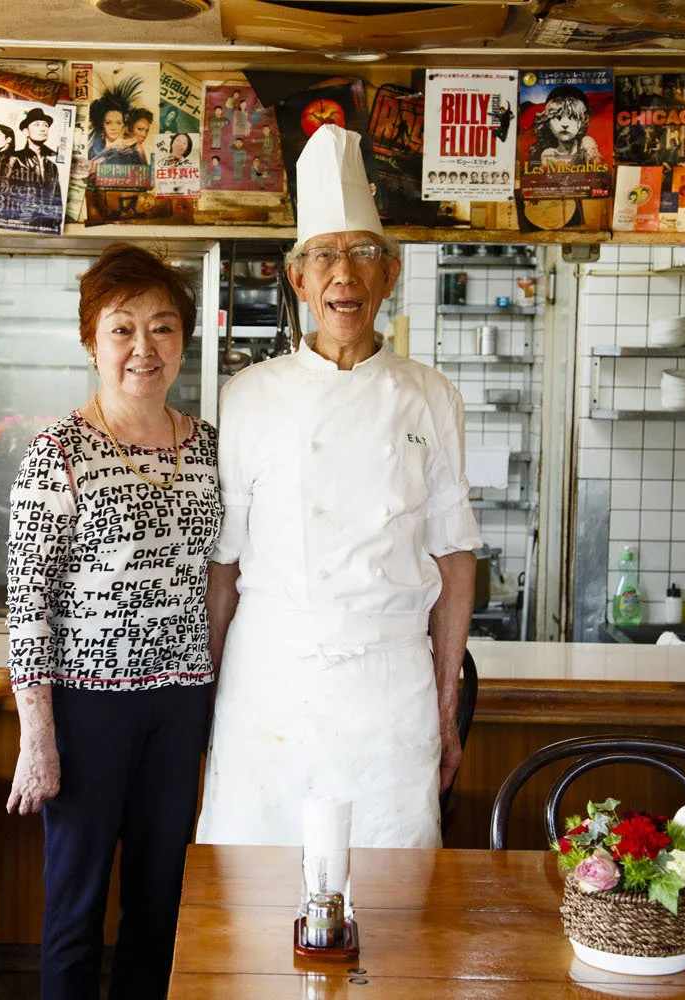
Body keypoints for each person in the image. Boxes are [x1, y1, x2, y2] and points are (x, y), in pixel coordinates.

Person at [197, 123, 480, 850]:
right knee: (251, 895)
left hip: (389, 687)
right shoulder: (245, 396)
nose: (343, 276)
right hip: (270, 684)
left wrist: (446, 704)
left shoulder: (433, 395)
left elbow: (454, 557)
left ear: (389, 274)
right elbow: (223, 566)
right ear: (297, 278)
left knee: (388, 894)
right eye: (324, 256)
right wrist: (213, 693)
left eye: (362, 256)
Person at [6, 243, 220, 999]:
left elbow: (221, 578)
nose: (143, 348)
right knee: (76, 904)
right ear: (91, 340)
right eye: (122, 328)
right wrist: (38, 737)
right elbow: (27, 602)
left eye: (162, 328)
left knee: (160, 901)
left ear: (184, 341)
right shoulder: (57, 451)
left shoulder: (207, 448)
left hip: (181, 700)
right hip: (87, 704)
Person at [1, 107, 64, 230]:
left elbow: (57, 200)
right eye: (36, 124)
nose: (43, 128)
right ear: (26, 132)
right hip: (19, 226)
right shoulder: (14, 158)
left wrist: (55, 223)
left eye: (46, 125)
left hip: (46, 227)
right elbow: (1, 194)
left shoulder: (52, 166)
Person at [529, 85, 603, 168]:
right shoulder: (548, 154)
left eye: (574, 117)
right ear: (547, 122)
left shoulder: (586, 143)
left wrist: (591, 153)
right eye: (557, 117)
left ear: (583, 122)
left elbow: (599, 168)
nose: (565, 124)